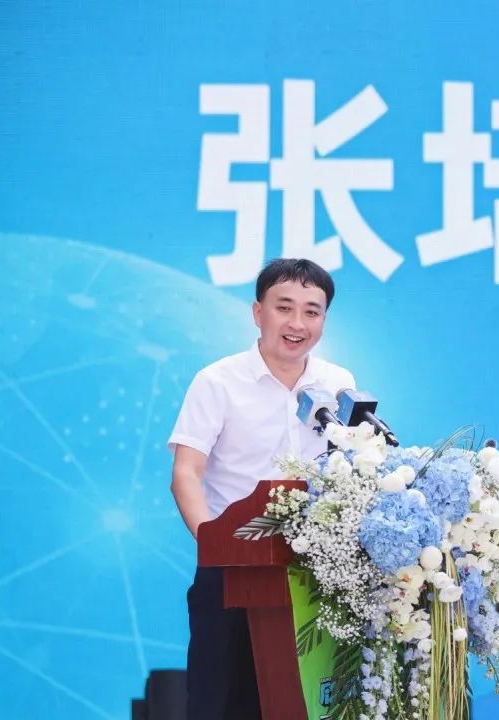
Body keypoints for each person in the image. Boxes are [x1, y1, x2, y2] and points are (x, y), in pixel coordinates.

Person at [167, 258, 355, 719]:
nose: (297, 324)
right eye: (283, 308)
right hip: (231, 570)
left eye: (312, 311)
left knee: (307, 703)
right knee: (221, 704)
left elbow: (349, 473)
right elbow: (186, 473)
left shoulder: (337, 385)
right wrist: (214, 543)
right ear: (257, 313)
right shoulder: (217, 381)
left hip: (315, 574)